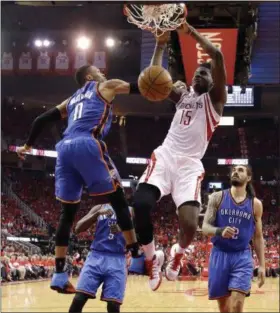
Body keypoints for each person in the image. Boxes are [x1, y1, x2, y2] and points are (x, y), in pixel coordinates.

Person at [16, 65, 141, 293]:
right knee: (119, 200)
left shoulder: (71, 100)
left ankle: (59, 274)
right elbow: (141, 87)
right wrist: (167, 87)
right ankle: (137, 257)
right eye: (98, 71)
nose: (103, 72)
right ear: (89, 77)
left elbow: (41, 120)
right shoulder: (105, 85)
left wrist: (27, 145)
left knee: (67, 214)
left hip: (64, 149)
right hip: (87, 143)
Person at [133, 21, 227, 290]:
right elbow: (153, 81)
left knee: (189, 225)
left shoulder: (215, 101)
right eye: (196, 73)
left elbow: (218, 56)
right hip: (165, 156)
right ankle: (153, 259)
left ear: (212, 82)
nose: (198, 76)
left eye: (204, 75)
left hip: (189, 165)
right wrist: (160, 46)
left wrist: (191, 33)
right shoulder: (183, 96)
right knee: (140, 205)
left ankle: (177, 254)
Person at [202, 165, 265, 312]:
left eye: (241, 170)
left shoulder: (255, 204)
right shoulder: (217, 197)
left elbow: (258, 236)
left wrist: (262, 265)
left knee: (237, 305)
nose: (235, 171)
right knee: (224, 309)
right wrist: (219, 231)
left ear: (248, 178)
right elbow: (205, 227)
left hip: (242, 256)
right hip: (219, 255)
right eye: (234, 170)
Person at [69, 203, 131, 313]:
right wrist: (96, 214)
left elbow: (140, 233)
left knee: (113, 306)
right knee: (78, 299)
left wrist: (126, 227)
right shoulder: (99, 207)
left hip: (117, 258)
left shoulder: (131, 210)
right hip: (96, 256)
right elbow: (77, 228)